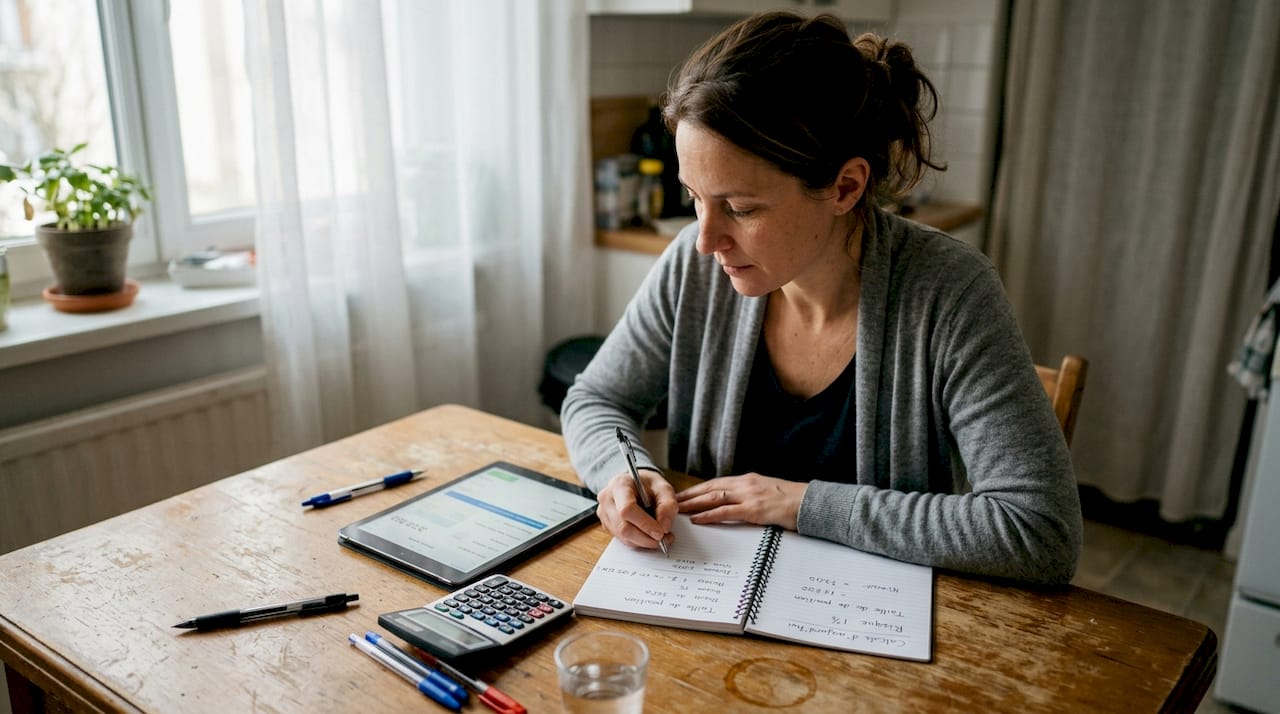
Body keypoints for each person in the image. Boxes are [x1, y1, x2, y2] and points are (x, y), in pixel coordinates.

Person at [561, 11, 1081, 585]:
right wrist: (622, 472)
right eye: (694, 197)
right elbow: (596, 398)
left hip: (871, 628)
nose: (706, 240)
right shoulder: (694, 264)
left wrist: (800, 503)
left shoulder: (951, 293)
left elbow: (1040, 530)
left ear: (844, 187)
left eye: (741, 208)